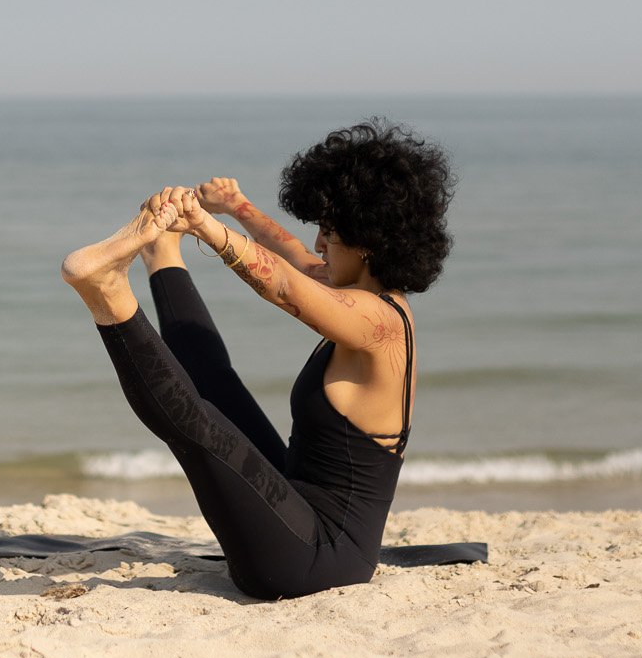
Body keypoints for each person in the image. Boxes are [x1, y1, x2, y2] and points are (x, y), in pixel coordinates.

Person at [61, 119, 454, 601]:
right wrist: (236, 206)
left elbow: (285, 285)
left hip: (316, 559)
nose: (317, 244)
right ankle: (161, 252)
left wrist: (209, 225)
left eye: (329, 233)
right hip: (297, 506)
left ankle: (106, 292)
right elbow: (292, 258)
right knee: (218, 387)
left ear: (368, 240)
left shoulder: (384, 325)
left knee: (199, 424)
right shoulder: (360, 288)